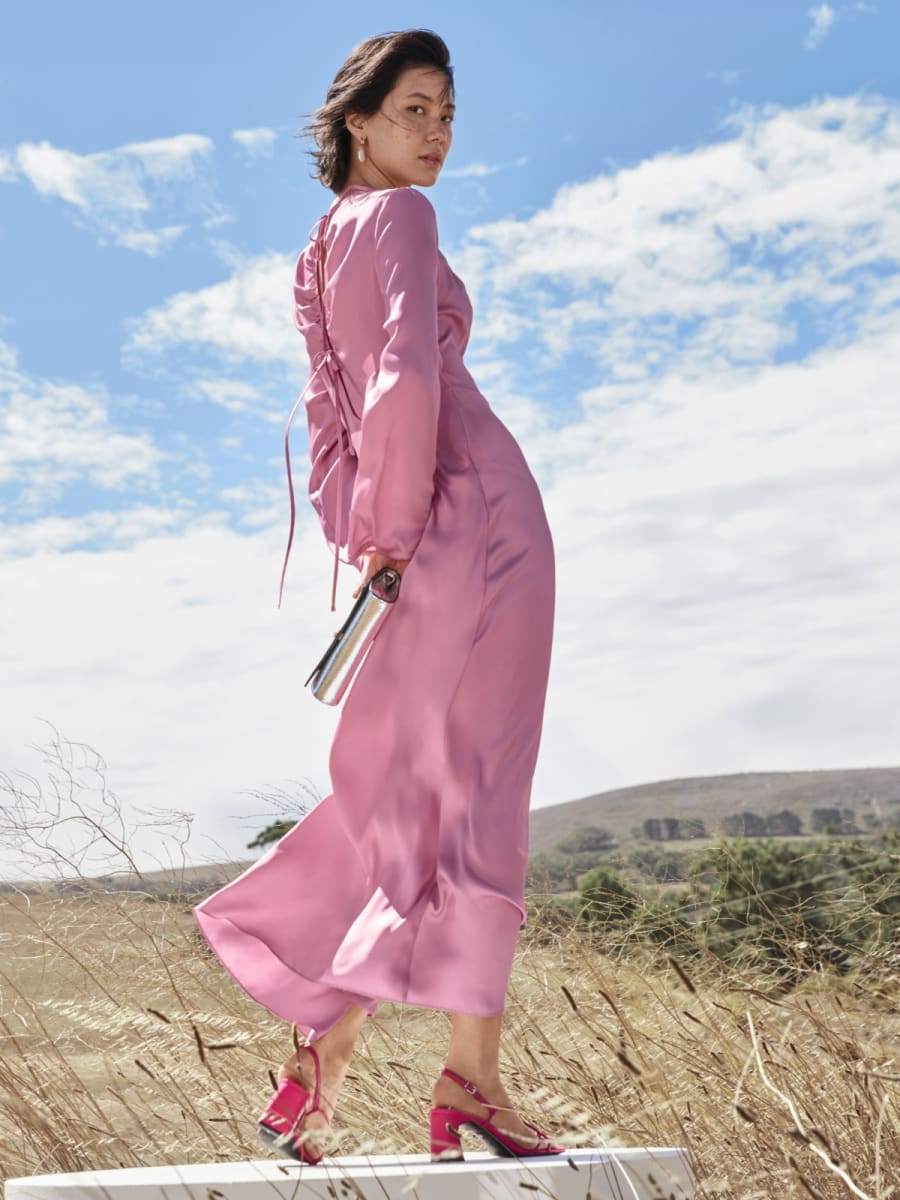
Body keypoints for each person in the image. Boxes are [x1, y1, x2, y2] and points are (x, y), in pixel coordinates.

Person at [193, 29, 560, 1165]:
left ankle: (328, 1047)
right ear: (359, 119)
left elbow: (328, 411)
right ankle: (468, 1085)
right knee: (478, 787)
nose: (437, 133)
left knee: (408, 783)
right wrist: (397, 534)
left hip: (411, 526)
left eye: (447, 115)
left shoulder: (318, 248)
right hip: (475, 519)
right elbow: (401, 372)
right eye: (415, 110)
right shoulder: (401, 218)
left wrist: (372, 538)